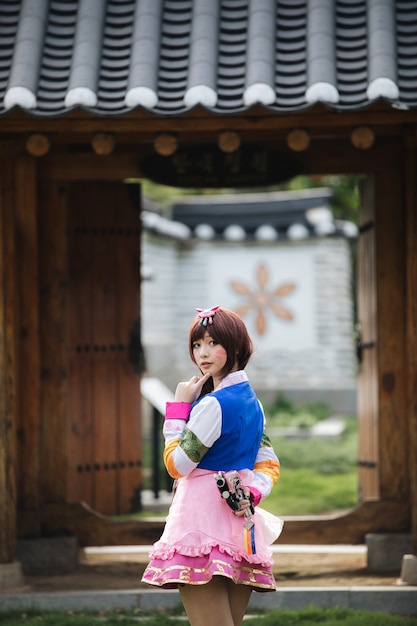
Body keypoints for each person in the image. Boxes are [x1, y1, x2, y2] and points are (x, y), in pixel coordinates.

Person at [142, 305, 282, 626]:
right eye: (196, 344)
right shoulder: (252, 402)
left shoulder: (213, 405)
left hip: (200, 523)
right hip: (239, 526)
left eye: (212, 343)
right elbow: (269, 464)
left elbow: (177, 465)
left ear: (235, 346)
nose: (203, 353)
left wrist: (178, 409)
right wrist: (250, 494)